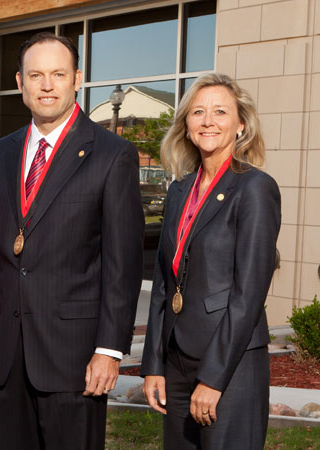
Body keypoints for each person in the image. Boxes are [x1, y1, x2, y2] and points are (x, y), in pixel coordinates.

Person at [0, 32, 144, 449]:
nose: (47, 85)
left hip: (75, 356)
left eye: (58, 74)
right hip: (6, 352)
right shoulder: (0, 152)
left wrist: (109, 349)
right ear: (20, 82)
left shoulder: (111, 153)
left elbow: (123, 264)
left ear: (77, 78)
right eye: (36, 75)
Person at [140, 72, 281, 449]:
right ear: (186, 124)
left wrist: (214, 378)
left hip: (229, 366)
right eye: (198, 112)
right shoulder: (179, 190)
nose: (208, 121)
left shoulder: (254, 188)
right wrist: (154, 365)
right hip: (178, 362)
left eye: (220, 112)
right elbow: (162, 286)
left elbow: (248, 294)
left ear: (240, 125)